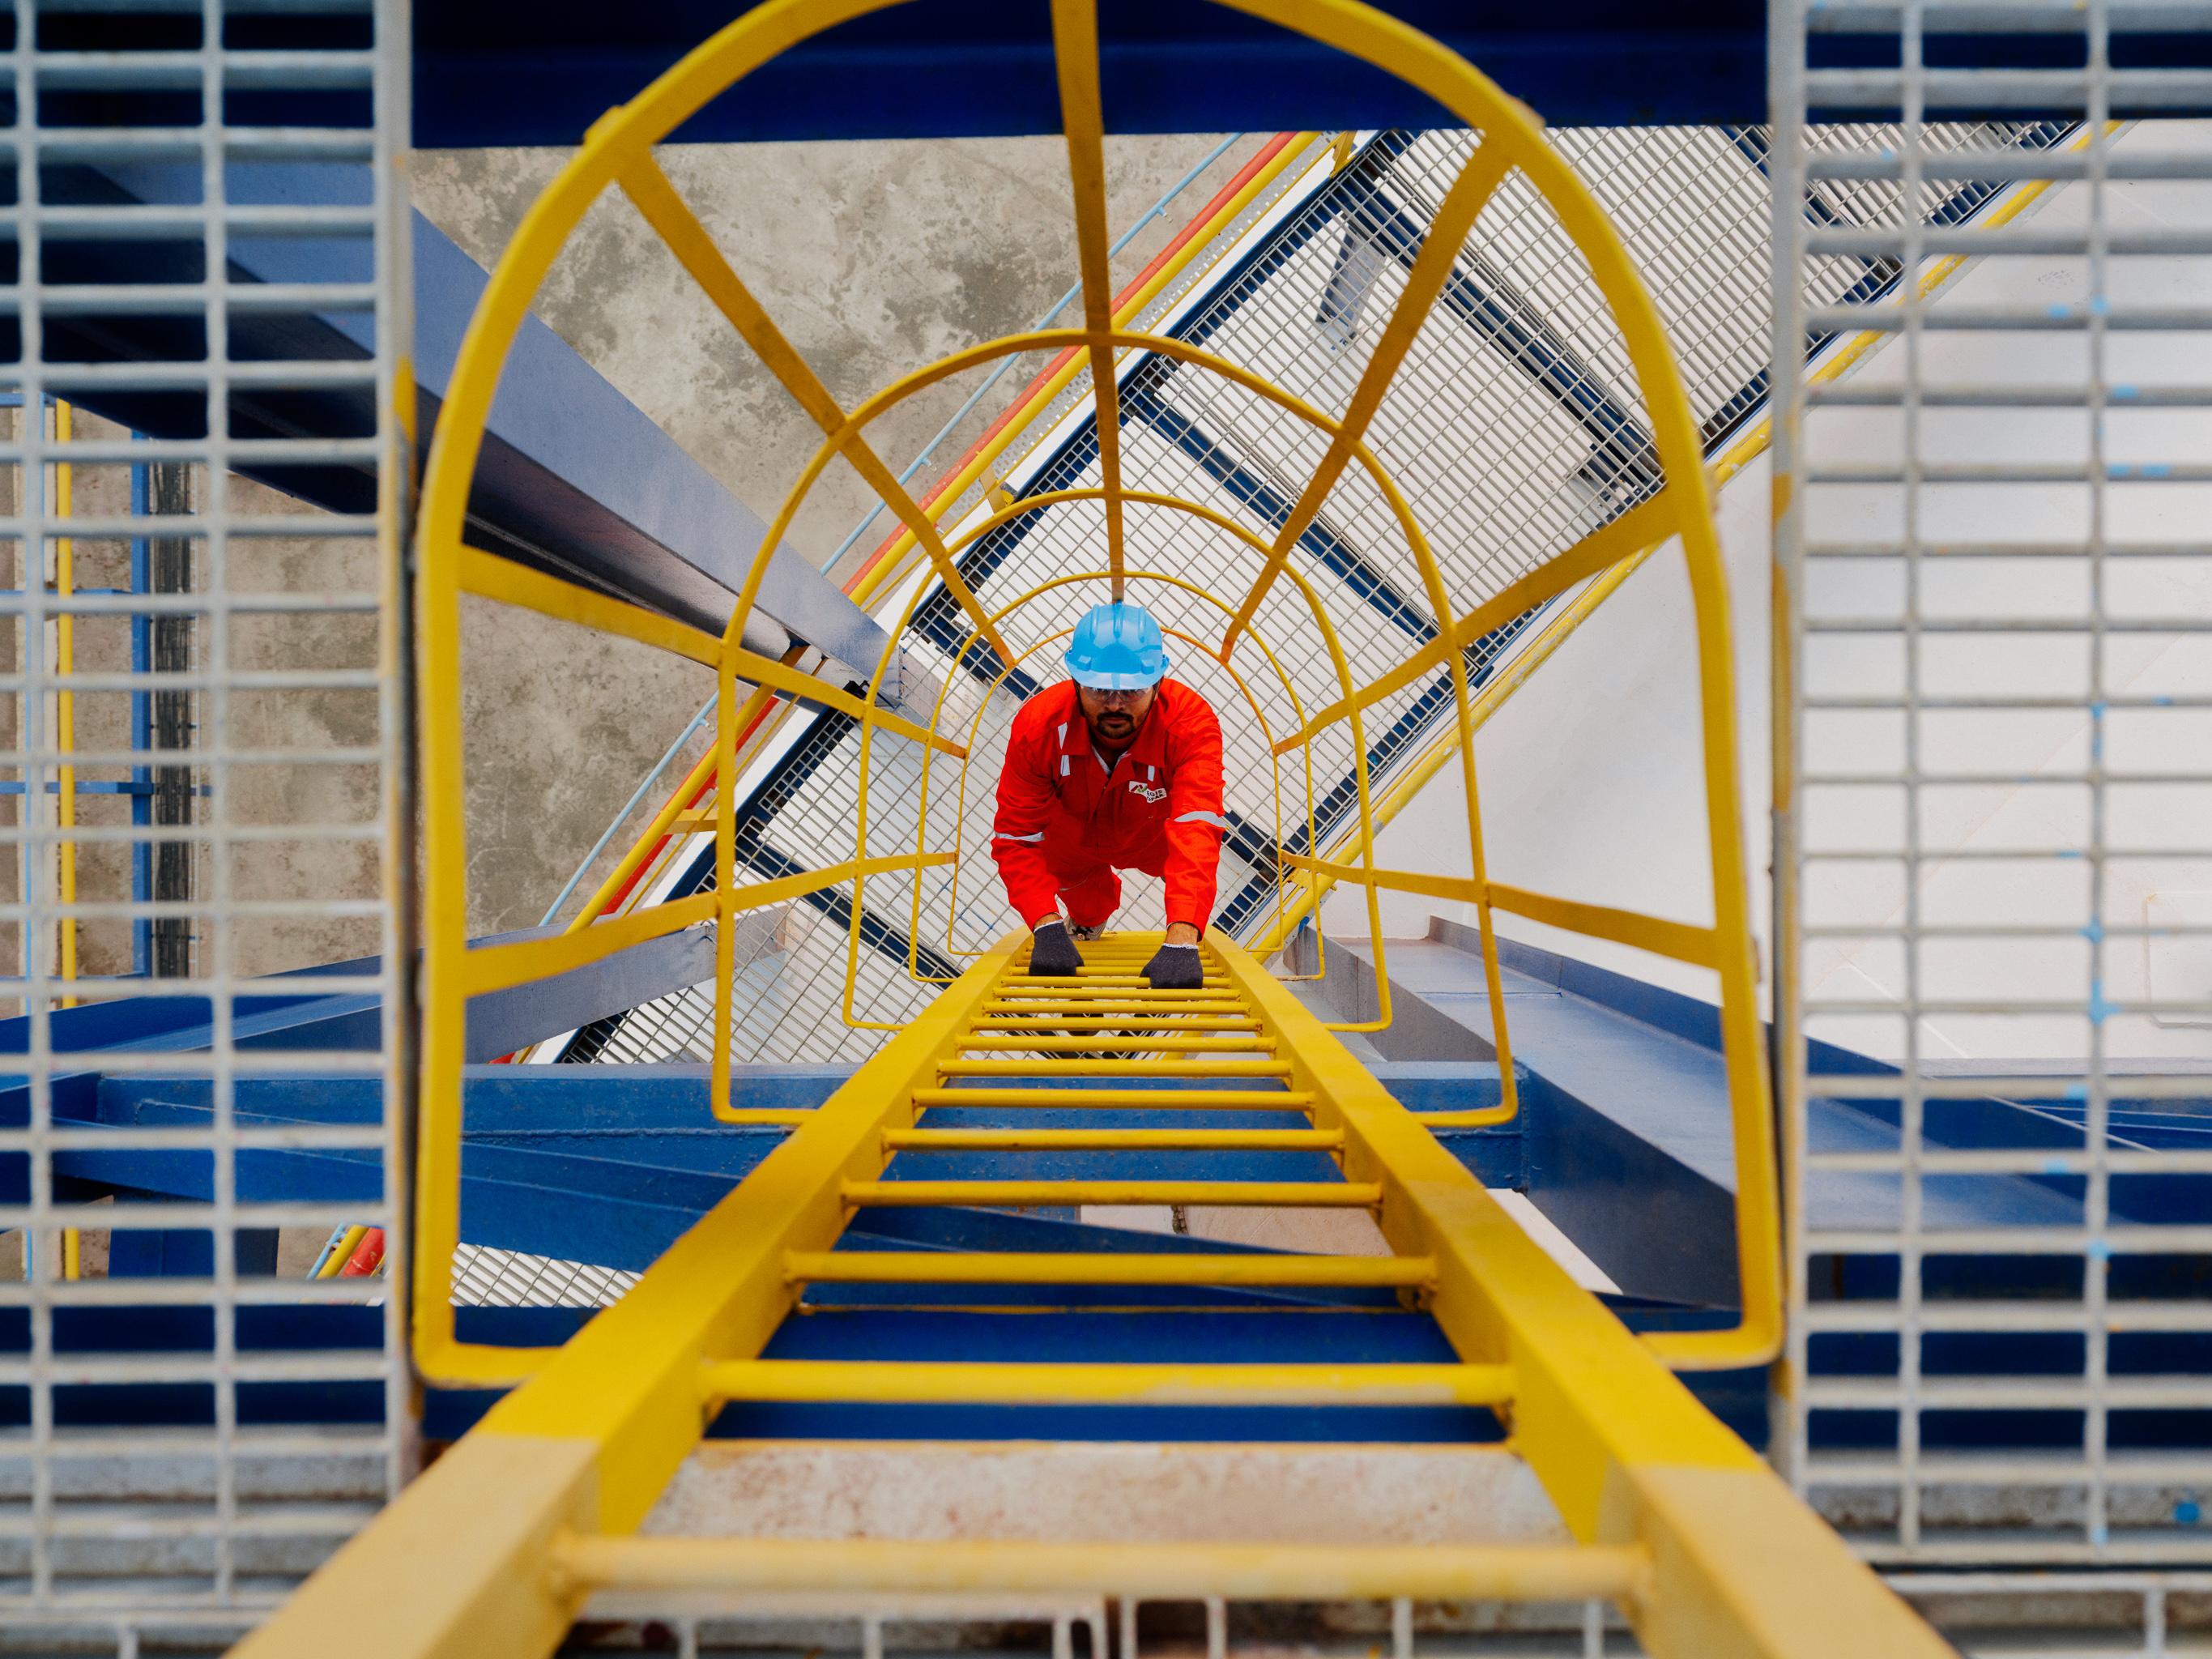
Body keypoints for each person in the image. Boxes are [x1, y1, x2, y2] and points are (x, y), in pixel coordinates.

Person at [990, 602, 1230, 990]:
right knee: (1085, 901)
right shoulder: (1039, 727)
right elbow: (1016, 836)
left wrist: (1184, 936)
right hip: (1075, 842)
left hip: (1155, 836)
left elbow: (1197, 824)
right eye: (1100, 689)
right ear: (1075, 682)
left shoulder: (1190, 724)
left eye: (1132, 691)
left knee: (1188, 863)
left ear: (1157, 683)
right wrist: (1045, 925)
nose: (1115, 705)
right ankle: (1086, 920)